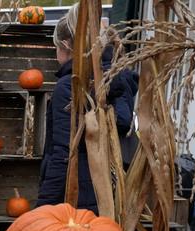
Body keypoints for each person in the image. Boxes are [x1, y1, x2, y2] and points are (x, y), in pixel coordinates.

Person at [36, 4, 138, 212]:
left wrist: (42, 208)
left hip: (73, 202)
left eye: (56, 47)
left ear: (65, 45)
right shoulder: (118, 80)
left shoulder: (70, 87)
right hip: (110, 201)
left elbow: (64, 155)